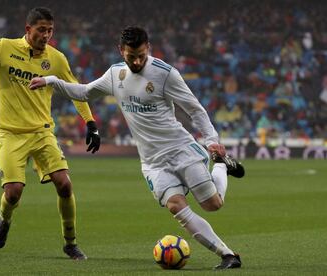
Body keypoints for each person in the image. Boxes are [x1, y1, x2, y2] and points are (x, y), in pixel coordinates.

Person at [30, 26, 245, 269]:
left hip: (181, 149)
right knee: (176, 206)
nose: (137, 61)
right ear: (121, 51)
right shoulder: (115, 75)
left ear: (148, 48)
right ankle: (228, 255)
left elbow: (194, 108)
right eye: (131, 56)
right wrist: (51, 81)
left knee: (213, 205)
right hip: (153, 162)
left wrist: (211, 140)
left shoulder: (165, 74)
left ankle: (221, 166)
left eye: (142, 55)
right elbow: (84, 92)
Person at [0, 7, 101, 260]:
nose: (46, 35)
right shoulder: (4, 48)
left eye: (50, 30)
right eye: (41, 30)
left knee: (65, 184)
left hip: (42, 131)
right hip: (10, 132)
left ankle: (70, 242)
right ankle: (5, 217)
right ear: (28, 29)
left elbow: (75, 90)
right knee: (13, 192)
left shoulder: (56, 59)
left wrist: (90, 122)